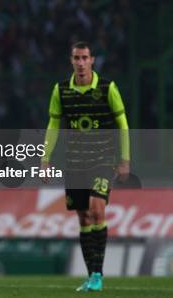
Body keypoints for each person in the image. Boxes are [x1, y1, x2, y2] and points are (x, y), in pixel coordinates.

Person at [41, 41, 130, 292]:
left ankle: (98, 276)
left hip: (103, 159)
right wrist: (45, 159)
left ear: (92, 60)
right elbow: (53, 125)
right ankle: (92, 275)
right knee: (83, 218)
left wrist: (124, 160)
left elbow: (122, 124)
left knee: (96, 209)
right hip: (74, 162)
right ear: (71, 61)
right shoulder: (60, 90)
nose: (80, 63)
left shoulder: (107, 88)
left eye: (85, 58)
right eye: (76, 58)